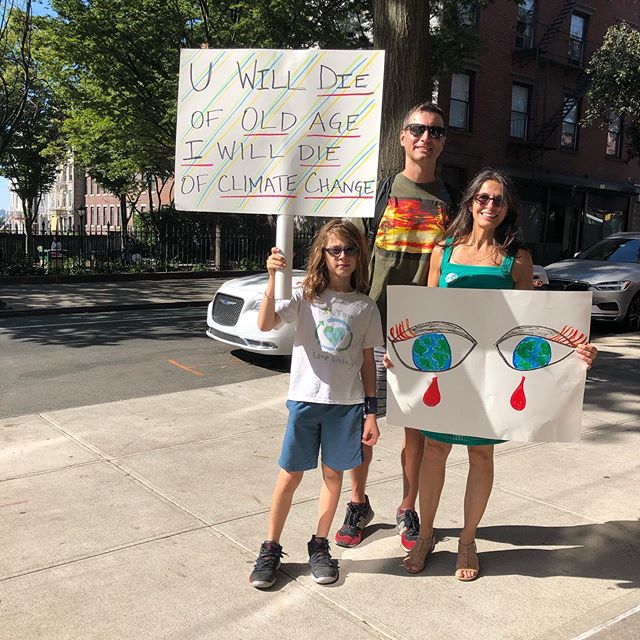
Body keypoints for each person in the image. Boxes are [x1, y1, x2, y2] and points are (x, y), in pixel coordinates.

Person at [396, 168, 598, 580]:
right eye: (483, 198)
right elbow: (427, 317)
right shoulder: (444, 250)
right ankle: (427, 533)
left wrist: (572, 350)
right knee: (435, 452)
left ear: (509, 209)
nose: (490, 205)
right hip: (450, 374)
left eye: (499, 200)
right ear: (470, 202)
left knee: (481, 454)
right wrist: (402, 355)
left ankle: (467, 541)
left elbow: (525, 325)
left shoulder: (516, 257)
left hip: (494, 379)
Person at [334, 101, 451, 552]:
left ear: (443, 142)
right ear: (402, 137)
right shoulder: (377, 194)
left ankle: (407, 506)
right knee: (364, 423)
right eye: (418, 129)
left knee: (415, 428)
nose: (426, 137)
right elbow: (345, 252)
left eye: (436, 132)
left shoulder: (454, 202)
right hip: (374, 329)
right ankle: (358, 502)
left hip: (425, 333)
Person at [249, 220, 384, 589]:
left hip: (347, 405)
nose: (343, 257)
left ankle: (320, 544)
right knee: (289, 475)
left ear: (360, 256)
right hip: (306, 401)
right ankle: (271, 547)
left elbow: (368, 361)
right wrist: (270, 281)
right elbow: (266, 324)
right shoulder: (305, 295)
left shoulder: (365, 306)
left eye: (350, 250)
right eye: (335, 250)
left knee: (332, 476)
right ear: (322, 255)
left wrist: (371, 411)